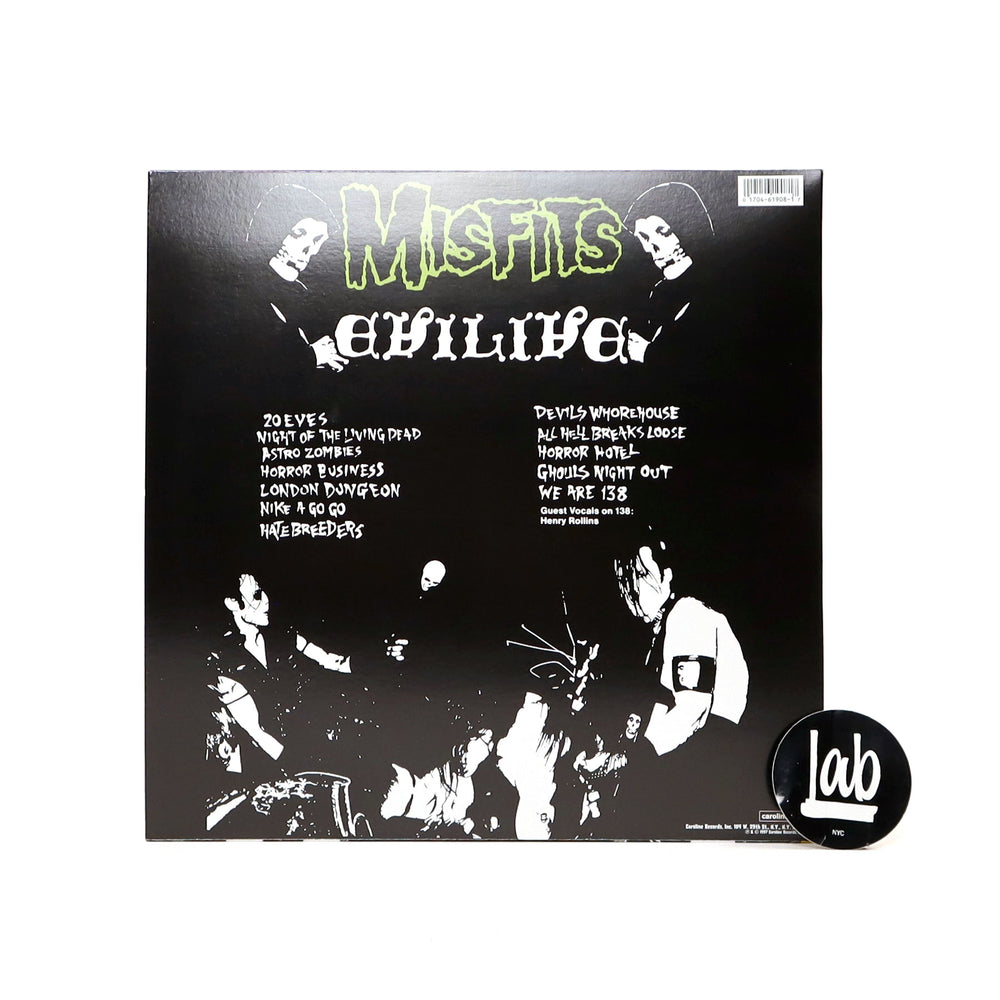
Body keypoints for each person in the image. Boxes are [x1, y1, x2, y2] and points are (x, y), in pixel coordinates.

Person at [205, 572, 351, 831]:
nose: (266, 600)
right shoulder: (222, 662)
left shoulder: (282, 635)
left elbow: (332, 661)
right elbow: (257, 732)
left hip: (310, 753)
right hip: (272, 777)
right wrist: (303, 766)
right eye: (256, 595)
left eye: (262, 591)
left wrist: (378, 661)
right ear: (232, 604)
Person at [244, 183, 349, 373]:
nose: (307, 250)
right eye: (297, 234)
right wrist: (312, 357)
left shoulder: (303, 295)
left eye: (317, 240)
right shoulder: (243, 291)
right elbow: (252, 364)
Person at [621, 182, 716, 363]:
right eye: (644, 237)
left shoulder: (714, 291)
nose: (653, 246)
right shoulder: (657, 293)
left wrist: (647, 354)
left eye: (664, 232)